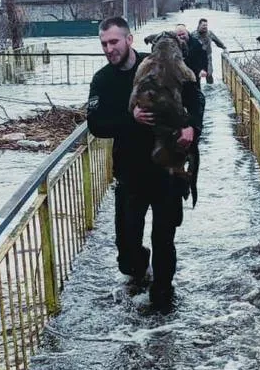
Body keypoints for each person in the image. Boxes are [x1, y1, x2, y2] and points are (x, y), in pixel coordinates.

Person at [87, 16, 203, 310]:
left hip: (166, 172)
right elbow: (96, 125)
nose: (108, 49)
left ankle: (163, 299)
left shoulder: (161, 67)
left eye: (114, 42)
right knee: (126, 254)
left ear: (129, 40)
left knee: (164, 239)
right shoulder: (103, 80)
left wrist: (193, 128)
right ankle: (139, 268)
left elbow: (196, 98)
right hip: (130, 175)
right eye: (104, 44)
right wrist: (131, 118)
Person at [194, 17, 226, 83]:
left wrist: (224, 48)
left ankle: (210, 89)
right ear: (199, 25)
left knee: (209, 74)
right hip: (197, 59)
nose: (205, 27)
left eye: (206, 25)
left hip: (208, 57)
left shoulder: (209, 33)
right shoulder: (193, 35)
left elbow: (218, 42)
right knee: (197, 76)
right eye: (203, 25)